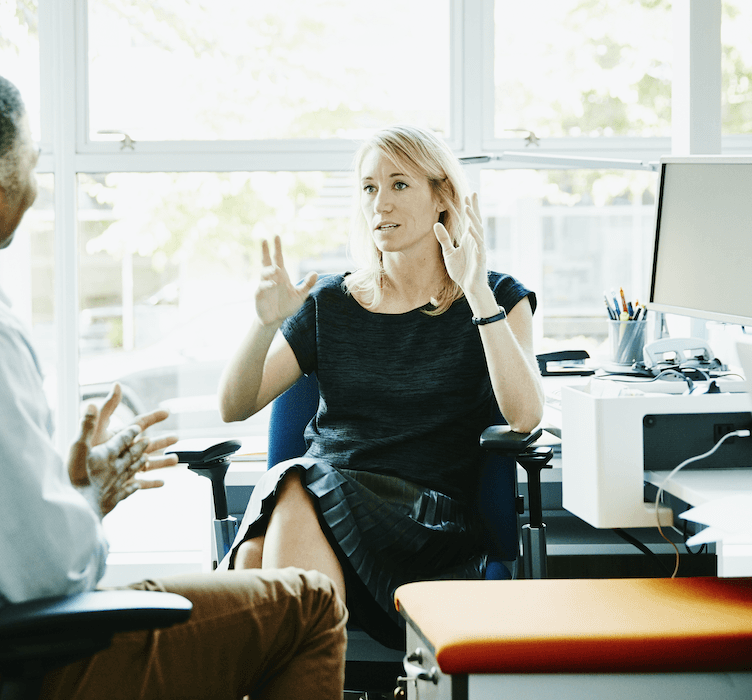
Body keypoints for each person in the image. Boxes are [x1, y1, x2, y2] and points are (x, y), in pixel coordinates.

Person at [0, 63, 346, 700]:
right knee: (310, 604)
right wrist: (85, 502)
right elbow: (53, 577)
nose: (40, 183)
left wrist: (73, 485)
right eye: (32, 162)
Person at [217, 124, 544, 649]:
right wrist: (262, 326)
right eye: (369, 188)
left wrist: (477, 294)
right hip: (321, 503)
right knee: (265, 541)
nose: (379, 203)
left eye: (398, 185)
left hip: (426, 523)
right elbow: (234, 406)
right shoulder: (331, 301)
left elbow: (526, 417)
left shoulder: (498, 295)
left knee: (288, 495)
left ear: (442, 197)